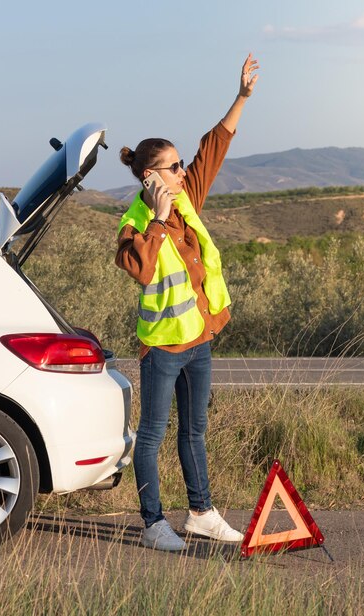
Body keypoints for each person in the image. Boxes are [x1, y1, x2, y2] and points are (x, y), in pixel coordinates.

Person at [115, 54, 260, 551]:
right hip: (162, 348)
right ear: (150, 177)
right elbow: (141, 268)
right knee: (152, 435)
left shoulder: (187, 198)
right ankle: (154, 523)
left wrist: (241, 96)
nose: (183, 171)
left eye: (180, 165)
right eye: (173, 167)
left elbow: (214, 147)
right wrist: (156, 218)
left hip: (199, 339)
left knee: (194, 432)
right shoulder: (135, 223)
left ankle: (201, 513)